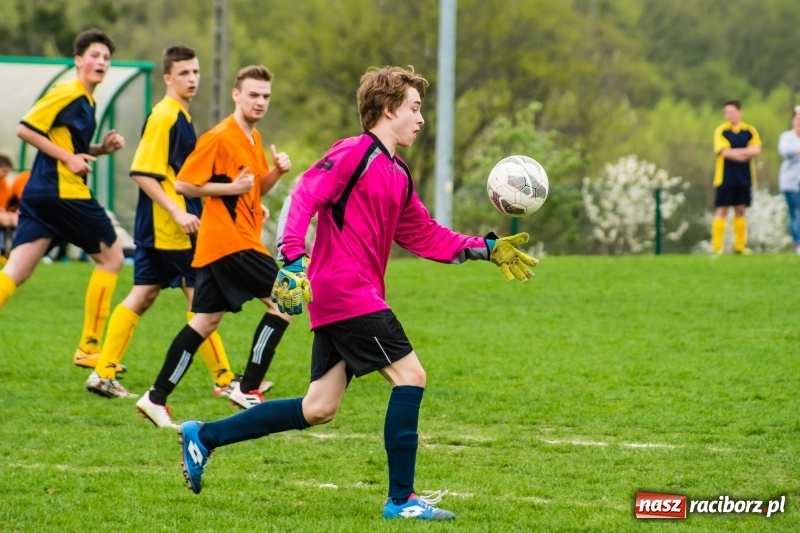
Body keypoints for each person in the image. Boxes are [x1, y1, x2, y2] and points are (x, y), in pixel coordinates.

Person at [176, 65, 538, 521]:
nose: (421, 119)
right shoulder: (353, 152)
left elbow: (423, 233)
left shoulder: (398, 172)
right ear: (388, 109)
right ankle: (402, 500)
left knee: (318, 408)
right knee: (411, 376)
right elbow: (304, 195)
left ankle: (204, 436)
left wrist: (484, 248)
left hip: (350, 296)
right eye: (414, 108)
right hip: (347, 291)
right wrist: (292, 257)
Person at [135, 65, 293, 428]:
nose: (260, 101)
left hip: (226, 242)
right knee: (285, 301)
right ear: (236, 95)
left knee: (205, 322)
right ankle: (248, 388)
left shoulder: (253, 137)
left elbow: (253, 189)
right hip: (231, 241)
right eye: (253, 94)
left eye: (266, 96)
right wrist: (231, 190)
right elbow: (184, 184)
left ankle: (155, 398)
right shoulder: (218, 137)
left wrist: (276, 173)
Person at [85, 45, 238, 399]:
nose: (192, 78)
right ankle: (225, 381)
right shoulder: (165, 115)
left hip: (159, 228)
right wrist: (177, 212)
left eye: (195, 72)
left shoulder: (181, 115)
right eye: (184, 73)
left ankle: (103, 373)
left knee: (143, 294)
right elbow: (142, 172)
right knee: (201, 300)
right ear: (168, 78)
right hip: (171, 229)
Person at [0, 29, 126, 373]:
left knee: (16, 270)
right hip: (63, 192)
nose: (101, 62)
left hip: (41, 194)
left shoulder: (87, 99)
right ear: (78, 60)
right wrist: (69, 159)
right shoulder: (68, 90)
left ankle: (89, 348)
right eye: (95, 55)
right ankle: (89, 347)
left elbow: (66, 144)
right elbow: (26, 129)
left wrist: (99, 149)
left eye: (106, 57)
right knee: (112, 258)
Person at [711, 99, 762, 255]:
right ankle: (717, 247)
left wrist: (735, 152)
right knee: (722, 210)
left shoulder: (749, 131)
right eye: (726, 112)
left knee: (740, 209)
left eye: (732, 111)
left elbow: (756, 150)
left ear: (739, 112)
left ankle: (740, 246)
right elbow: (724, 153)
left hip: (744, 177)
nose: (729, 115)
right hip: (725, 178)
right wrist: (745, 153)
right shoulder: (721, 131)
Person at [777, 106, 800, 254]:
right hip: (790, 182)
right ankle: (798, 243)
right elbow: (784, 151)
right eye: (797, 118)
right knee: (795, 212)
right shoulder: (786, 137)